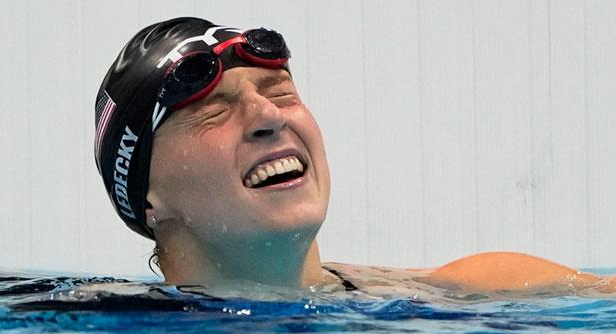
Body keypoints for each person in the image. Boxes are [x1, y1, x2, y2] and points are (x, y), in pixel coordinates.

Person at [94, 17, 615, 297]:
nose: (269, 117)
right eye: (213, 110)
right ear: (147, 197)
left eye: (280, 93)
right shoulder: (86, 317)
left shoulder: (469, 290)